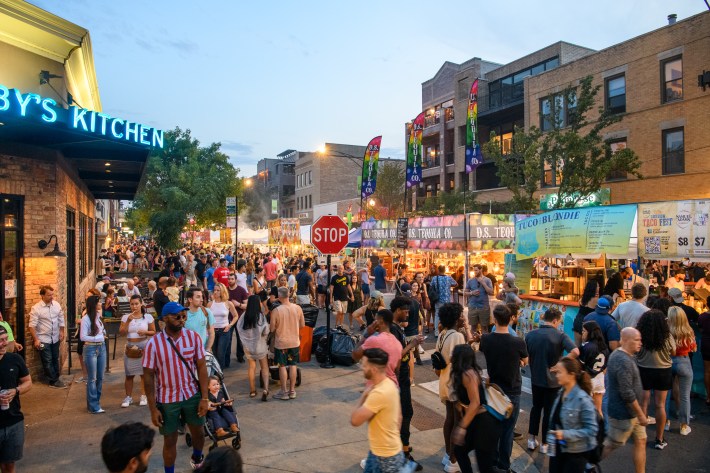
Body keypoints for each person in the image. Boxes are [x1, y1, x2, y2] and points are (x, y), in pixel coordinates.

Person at [143, 301, 210, 471]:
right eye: (177, 317)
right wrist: (153, 409)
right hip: (167, 399)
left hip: (191, 394)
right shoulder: (153, 344)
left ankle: (197, 456)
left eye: (184, 317)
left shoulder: (193, 337)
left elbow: (202, 367)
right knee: (170, 440)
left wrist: (204, 397)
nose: (182, 320)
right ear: (165, 319)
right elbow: (148, 377)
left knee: (199, 432)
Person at [479, 305, 528, 472]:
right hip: (512, 389)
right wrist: (518, 361)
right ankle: (504, 465)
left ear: (495, 319)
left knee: (493, 428)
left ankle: (492, 462)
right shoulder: (518, 341)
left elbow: (484, 352)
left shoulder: (486, 339)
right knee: (507, 431)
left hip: (493, 390)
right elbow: (525, 361)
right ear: (511, 319)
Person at [524, 308, 578, 454]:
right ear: (555, 321)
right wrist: (561, 363)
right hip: (553, 381)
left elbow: (526, 355)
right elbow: (576, 351)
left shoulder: (531, 335)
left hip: (535, 378)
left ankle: (531, 439)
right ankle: (544, 443)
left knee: (536, 408)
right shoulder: (560, 335)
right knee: (549, 412)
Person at [350, 348, 407, 472]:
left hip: (385, 458)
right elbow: (399, 418)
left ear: (374, 369)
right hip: (383, 452)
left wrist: (364, 395)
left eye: (364, 365)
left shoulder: (378, 393)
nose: (362, 368)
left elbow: (355, 420)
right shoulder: (390, 384)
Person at [450, 344, 503, 473]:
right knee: (459, 449)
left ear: (459, 358)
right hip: (476, 421)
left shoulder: (468, 374)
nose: (451, 357)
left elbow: (475, 402)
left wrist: (462, 427)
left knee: (484, 465)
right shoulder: (467, 373)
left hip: (484, 424)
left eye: (454, 355)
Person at [602, 327, 648, 473]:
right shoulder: (622, 360)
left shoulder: (625, 356)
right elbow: (626, 392)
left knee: (641, 440)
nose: (640, 343)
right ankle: (589, 463)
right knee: (611, 444)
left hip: (632, 412)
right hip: (623, 413)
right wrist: (640, 414)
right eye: (637, 340)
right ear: (626, 340)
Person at [547, 357, 598, 473]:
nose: (557, 375)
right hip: (558, 450)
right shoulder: (561, 393)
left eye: (560, 372)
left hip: (575, 455)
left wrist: (565, 434)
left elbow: (592, 430)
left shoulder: (583, 400)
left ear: (571, 375)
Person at [636, 309, 675, 450]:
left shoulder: (640, 336)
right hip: (663, 371)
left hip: (643, 369)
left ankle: (641, 436)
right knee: (660, 405)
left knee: (643, 404)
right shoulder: (666, 336)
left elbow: (636, 351)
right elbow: (673, 351)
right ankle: (659, 438)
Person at [436, 303, 467, 472]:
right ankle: (453, 460)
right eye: (461, 315)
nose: (463, 318)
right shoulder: (457, 336)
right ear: (456, 318)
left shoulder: (443, 334)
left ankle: (448, 454)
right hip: (455, 383)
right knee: (458, 421)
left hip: (444, 380)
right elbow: (461, 361)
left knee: (450, 419)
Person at [0, 325, 32, 473]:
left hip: (14, 421)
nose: (5, 343)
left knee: (10, 464)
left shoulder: (14, 359)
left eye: (6, 339)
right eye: (0, 340)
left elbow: (28, 382)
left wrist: (16, 390)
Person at [119, 295, 156, 408]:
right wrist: (128, 322)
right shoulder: (126, 317)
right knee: (129, 374)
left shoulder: (148, 317)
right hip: (130, 346)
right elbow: (122, 333)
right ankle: (128, 397)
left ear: (141, 304)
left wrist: (145, 332)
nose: (134, 306)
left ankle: (143, 395)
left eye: (136, 304)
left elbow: (153, 331)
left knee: (143, 374)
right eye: (132, 304)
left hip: (143, 345)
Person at [270, 287, 305, 400]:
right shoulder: (298, 308)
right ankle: (292, 391)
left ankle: (284, 391)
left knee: (282, 366)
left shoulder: (276, 310)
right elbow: (302, 325)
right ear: (288, 295)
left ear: (279, 296)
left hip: (281, 342)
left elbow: (271, 329)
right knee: (293, 365)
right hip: (294, 341)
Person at [28, 285, 66, 388]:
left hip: (55, 337)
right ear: (42, 295)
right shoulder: (36, 308)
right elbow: (32, 326)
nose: (52, 297)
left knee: (55, 358)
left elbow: (61, 318)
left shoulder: (56, 305)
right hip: (43, 339)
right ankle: (53, 381)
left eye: (52, 294)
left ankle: (56, 378)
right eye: (49, 295)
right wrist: (36, 340)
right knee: (47, 360)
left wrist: (62, 331)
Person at [666, 306, 696, 435]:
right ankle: (683, 426)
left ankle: (666, 422)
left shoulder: (666, 330)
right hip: (684, 361)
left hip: (667, 362)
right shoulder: (688, 330)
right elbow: (693, 348)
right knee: (685, 396)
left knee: (665, 395)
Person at [353, 309, 403, 387]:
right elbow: (397, 370)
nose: (373, 322)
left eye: (375, 320)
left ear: (381, 321)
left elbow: (355, 355)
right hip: (392, 386)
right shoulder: (398, 344)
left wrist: (366, 335)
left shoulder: (374, 340)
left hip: (377, 387)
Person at [237, 295, 270, 400]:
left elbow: (239, 328)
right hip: (260, 345)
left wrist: (246, 340)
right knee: (264, 367)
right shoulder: (260, 316)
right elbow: (266, 331)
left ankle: (252, 391)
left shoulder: (244, 316)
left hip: (248, 347)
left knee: (251, 367)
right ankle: (266, 389)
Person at [81, 295, 107, 413]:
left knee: (100, 377)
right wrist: (99, 337)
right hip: (91, 349)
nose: (100, 303)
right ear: (94, 304)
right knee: (93, 378)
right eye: (98, 302)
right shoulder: (86, 319)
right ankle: (94, 405)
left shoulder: (97, 316)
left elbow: (101, 331)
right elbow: (83, 337)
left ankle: (96, 402)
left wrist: (102, 334)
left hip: (101, 347)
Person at [579, 321, 609, 416]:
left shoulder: (586, 346)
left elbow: (580, 365)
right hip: (600, 378)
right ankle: (600, 429)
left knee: (584, 411)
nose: (582, 333)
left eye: (584, 331)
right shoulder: (604, 347)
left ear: (590, 332)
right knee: (598, 410)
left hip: (587, 379)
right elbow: (605, 367)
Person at [208, 283, 240, 370]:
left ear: (223, 291)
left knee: (220, 353)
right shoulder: (210, 304)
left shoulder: (228, 303)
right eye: (214, 290)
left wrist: (230, 325)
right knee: (214, 353)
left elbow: (236, 316)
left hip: (224, 331)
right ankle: (216, 373)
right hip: (213, 331)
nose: (215, 292)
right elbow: (206, 318)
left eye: (218, 290)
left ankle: (219, 374)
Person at [464, 264, 493, 333]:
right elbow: (465, 293)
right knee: (473, 327)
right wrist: (472, 293)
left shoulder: (487, 280)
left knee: (484, 327)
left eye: (476, 270)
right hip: (473, 307)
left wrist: (483, 283)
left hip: (484, 307)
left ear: (481, 270)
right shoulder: (470, 281)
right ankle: (473, 343)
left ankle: (483, 343)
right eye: (474, 270)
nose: (475, 272)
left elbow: (491, 292)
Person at [184, 288, 215, 352]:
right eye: (198, 297)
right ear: (190, 299)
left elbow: (211, 333)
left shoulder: (207, 312)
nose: (201, 300)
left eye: (202, 297)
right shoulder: (183, 314)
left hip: (203, 351)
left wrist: (208, 349)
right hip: (187, 352)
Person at [430, 265, 458, 336]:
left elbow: (431, 286)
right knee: (446, 315)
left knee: (437, 315)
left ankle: (436, 332)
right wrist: (449, 286)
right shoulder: (449, 278)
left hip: (438, 299)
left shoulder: (434, 278)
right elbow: (456, 284)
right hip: (447, 299)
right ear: (445, 270)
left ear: (438, 270)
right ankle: (445, 331)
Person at [572, 281, 599, 346]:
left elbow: (579, 305)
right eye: (598, 286)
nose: (599, 287)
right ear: (594, 288)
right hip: (587, 323)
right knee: (586, 345)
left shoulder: (582, 298)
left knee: (577, 345)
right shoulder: (596, 300)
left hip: (578, 320)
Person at [330, 265, 351, 330]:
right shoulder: (334, 278)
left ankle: (341, 325)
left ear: (343, 269)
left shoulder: (346, 276)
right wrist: (331, 297)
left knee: (343, 313)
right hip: (337, 297)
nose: (340, 269)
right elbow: (331, 287)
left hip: (344, 297)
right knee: (339, 311)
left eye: (341, 268)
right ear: (337, 269)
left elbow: (348, 286)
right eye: (339, 268)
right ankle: (336, 324)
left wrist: (351, 294)